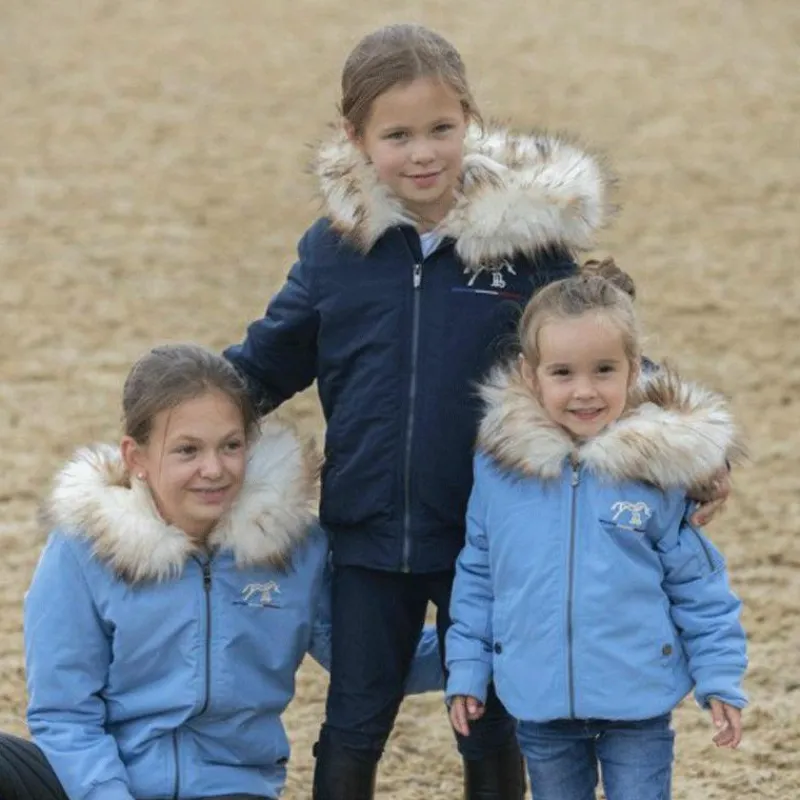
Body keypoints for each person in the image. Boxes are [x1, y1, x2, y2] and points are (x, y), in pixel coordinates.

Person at [224, 23, 729, 799]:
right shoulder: (332, 252)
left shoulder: (522, 248)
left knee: (489, 720)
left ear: (470, 121)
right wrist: (177, 424)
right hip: (364, 533)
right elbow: (266, 362)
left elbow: (599, 346)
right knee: (356, 719)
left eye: (441, 129)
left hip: (490, 536)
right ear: (355, 138)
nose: (422, 153)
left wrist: (690, 449)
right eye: (397, 135)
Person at [0, 344, 441, 800]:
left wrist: (482, 650)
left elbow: (371, 662)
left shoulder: (292, 548)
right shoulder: (82, 548)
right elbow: (65, 714)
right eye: (187, 450)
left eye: (231, 446)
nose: (213, 470)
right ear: (137, 458)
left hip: (226, 787)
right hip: (91, 783)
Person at [445, 268, 748, 800]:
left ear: (633, 371)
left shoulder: (657, 470)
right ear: (529, 373)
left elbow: (699, 588)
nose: (584, 391)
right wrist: (468, 668)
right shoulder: (499, 469)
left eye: (604, 370)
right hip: (538, 700)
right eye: (562, 372)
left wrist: (720, 677)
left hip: (639, 702)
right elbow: (478, 575)